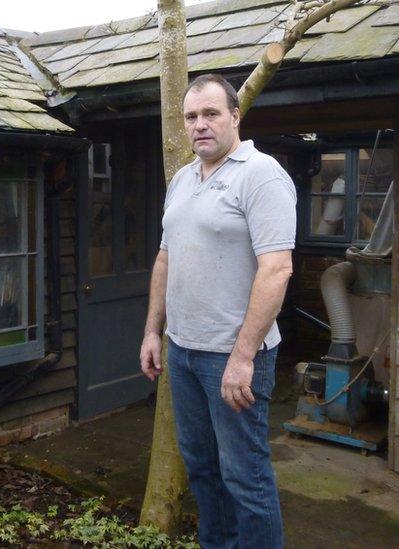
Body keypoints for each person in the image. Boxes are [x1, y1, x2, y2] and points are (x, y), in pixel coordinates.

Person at [139, 73, 295, 548]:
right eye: (191, 116)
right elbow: (167, 256)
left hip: (233, 358)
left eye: (210, 114)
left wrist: (243, 356)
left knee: (245, 479)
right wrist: (153, 331)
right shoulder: (183, 179)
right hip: (182, 352)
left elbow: (277, 270)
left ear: (235, 116)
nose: (200, 125)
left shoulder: (261, 174)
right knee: (203, 471)